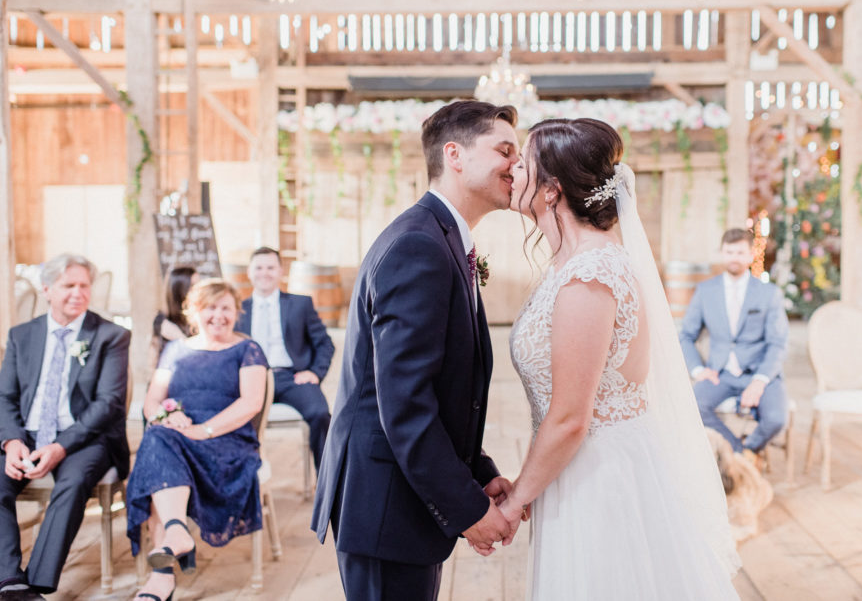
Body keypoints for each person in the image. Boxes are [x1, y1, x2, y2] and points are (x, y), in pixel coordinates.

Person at [499, 118, 739, 599]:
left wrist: (517, 498)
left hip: (598, 477)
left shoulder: (590, 275)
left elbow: (571, 417)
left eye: (522, 163)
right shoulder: (576, 263)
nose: (512, 170)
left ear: (552, 189)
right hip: (573, 467)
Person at [311, 100, 521, 601]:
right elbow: (405, 405)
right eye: (505, 151)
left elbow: (440, 388)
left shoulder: (441, 238)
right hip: (386, 505)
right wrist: (467, 509)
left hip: (403, 498)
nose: (517, 165)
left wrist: (478, 473)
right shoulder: (419, 245)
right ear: (455, 155)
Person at [126, 279, 268, 601]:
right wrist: (168, 416)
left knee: (157, 454)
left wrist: (204, 430)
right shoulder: (175, 350)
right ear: (194, 311)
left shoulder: (248, 350)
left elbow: (251, 403)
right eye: (210, 307)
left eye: (226, 308)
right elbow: (152, 403)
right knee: (158, 439)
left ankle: (162, 577)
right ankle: (176, 533)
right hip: (178, 435)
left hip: (227, 441)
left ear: (237, 313)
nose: (218, 315)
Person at [0, 254, 130, 600]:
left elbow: (109, 403)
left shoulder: (111, 335)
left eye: (84, 285)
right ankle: (9, 579)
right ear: (47, 289)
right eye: (68, 285)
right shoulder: (21, 335)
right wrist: (12, 442)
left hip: (86, 438)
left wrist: (60, 447)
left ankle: (36, 584)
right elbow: (5, 397)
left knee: (72, 484)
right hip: (27, 435)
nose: (78, 292)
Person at [679, 228, 789, 461]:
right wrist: (698, 370)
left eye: (740, 252)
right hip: (720, 374)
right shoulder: (705, 291)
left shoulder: (769, 293)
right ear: (722, 253)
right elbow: (686, 335)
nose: (734, 258)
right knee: (692, 407)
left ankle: (748, 451)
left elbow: (777, 343)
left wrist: (760, 381)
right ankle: (741, 457)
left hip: (760, 373)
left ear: (751, 255)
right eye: (729, 252)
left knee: (776, 419)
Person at [236, 247, 335, 471]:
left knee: (320, 414)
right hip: (253, 379)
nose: (264, 273)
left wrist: (315, 372)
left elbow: (325, 343)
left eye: (270, 268)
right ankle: (244, 478)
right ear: (249, 272)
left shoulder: (301, 304)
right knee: (231, 416)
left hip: (292, 378)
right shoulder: (238, 309)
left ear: (281, 271)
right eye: (259, 268)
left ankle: (326, 481)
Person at [150, 266, 198, 371]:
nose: (199, 290)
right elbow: (154, 362)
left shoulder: (200, 317)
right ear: (179, 289)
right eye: (193, 286)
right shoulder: (162, 322)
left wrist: (180, 339)